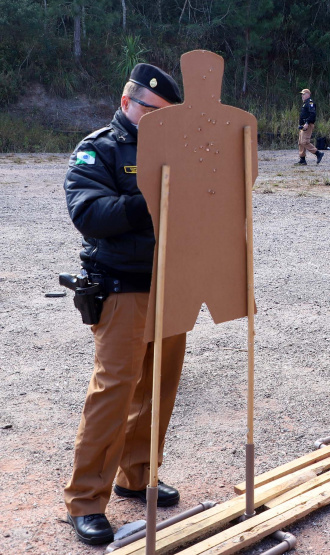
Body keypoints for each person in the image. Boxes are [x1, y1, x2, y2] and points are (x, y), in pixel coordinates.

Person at [62, 63, 185, 545]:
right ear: (126, 102)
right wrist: (148, 200)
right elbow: (89, 212)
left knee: (159, 388)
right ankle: (85, 500)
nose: (158, 122)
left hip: (171, 284)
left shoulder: (178, 150)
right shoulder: (99, 149)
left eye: (166, 115)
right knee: (114, 393)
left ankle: (137, 474)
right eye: (151, 112)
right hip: (121, 286)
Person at [297, 88, 324, 165]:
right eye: (302, 94)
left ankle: (318, 153)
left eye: (304, 94)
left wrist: (307, 123)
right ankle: (302, 159)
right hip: (303, 125)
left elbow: (313, 114)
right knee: (300, 142)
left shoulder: (310, 102)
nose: (302, 96)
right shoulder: (305, 103)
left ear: (308, 94)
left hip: (307, 125)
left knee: (305, 142)